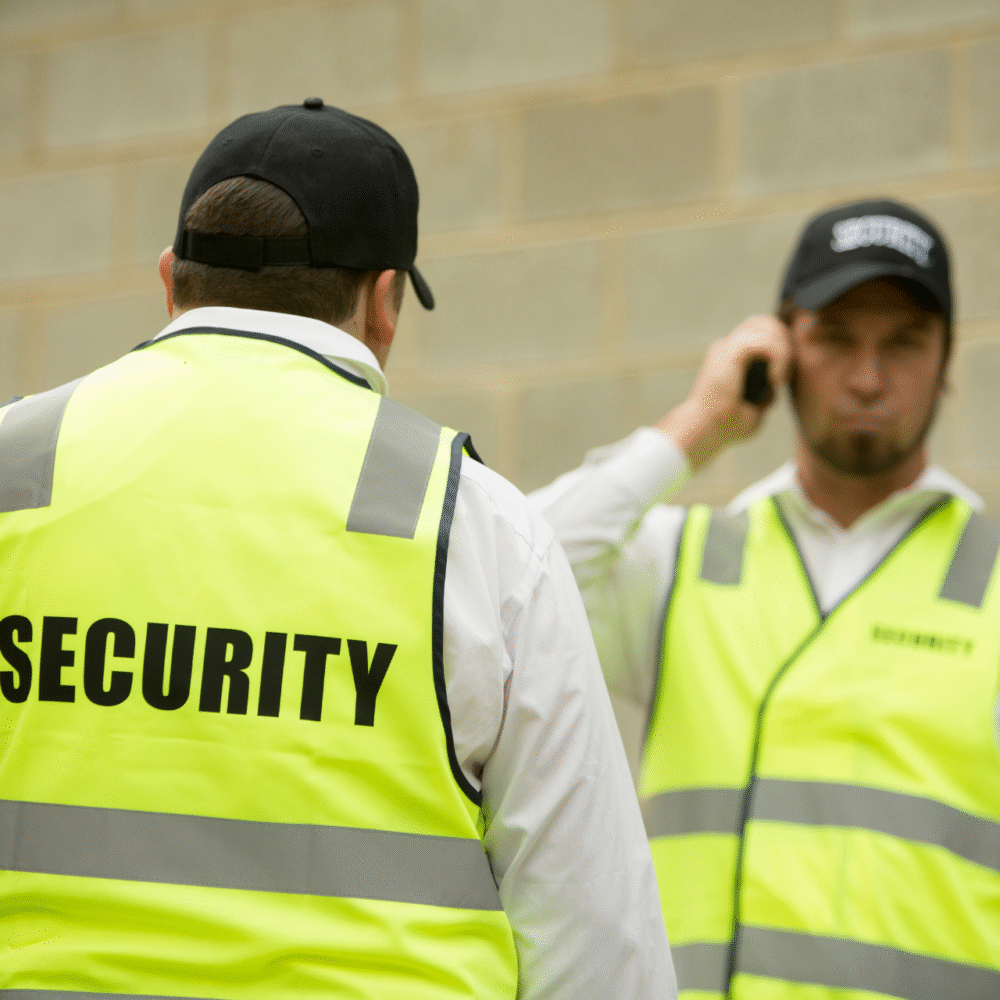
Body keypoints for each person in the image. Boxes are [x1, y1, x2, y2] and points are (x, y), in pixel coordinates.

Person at [0, 100, 675, 1000]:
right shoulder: (474, 524)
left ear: (171, 281)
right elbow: (598, 941)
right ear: (384, 301)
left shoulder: (14, 468)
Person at [532, 198, 1000, 999]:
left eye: (904, 343)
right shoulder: (686, 561)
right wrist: (702, 421)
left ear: (947, 357)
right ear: (781, 349)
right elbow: (525, 569)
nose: (866, 378)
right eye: (837, 339)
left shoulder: (991, 575)